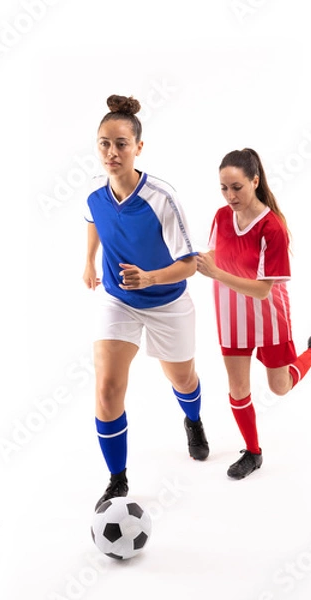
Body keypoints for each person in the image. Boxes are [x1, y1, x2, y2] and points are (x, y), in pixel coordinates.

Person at [82, 94, 209, 511]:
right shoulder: (95, 196)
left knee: (183, 380)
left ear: (138, 147)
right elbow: (94, 222)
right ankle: (117, 479)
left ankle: (192, 419)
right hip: (118, 301)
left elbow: (190, 264)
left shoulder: (162, 198)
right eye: (104, 143)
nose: (112, 152)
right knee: (108, 388)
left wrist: (151, 277)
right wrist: (88, 262)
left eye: (121, 143)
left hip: (167, 301)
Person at [197, 148, 311, 480]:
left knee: (280, 387)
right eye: (223, 188)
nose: (230, 196)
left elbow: (262, 289)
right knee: (238, 388)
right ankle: (253, 452)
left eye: (237, 187)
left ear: (255, 181)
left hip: (268, 315)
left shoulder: (272, 227)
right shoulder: (221, 216)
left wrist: (216, 274)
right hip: (230, 314)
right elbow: (216, 252)